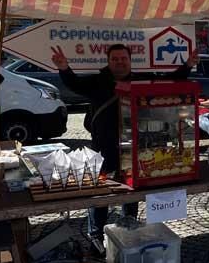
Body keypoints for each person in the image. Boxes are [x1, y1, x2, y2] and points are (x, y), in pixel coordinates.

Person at [51, 43, 198, 252]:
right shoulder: (98, 81)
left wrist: (187, 66)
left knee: (131, 191)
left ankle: (129, 231)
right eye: (115, 59)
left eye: (123, 58)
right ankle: (95, 237)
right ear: (108, 61)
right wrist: (64, 68)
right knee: (100, 195)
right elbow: (75, 84)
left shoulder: (139, 80)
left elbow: (169, 81)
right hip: (104, 147)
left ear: (130, 61)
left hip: (134, 148)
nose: (119, 62)